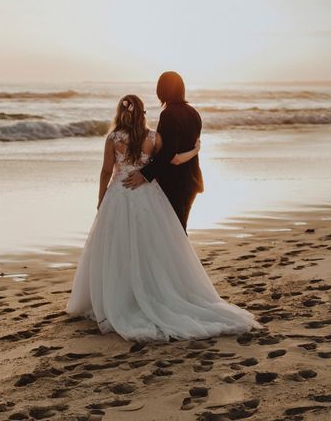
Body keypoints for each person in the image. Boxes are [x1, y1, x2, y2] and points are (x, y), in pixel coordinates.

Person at [65, 94, 260, 342]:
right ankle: (154, 290)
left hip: (118, 196)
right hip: (147, 195)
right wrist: (192, 152)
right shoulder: (154, 138)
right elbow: (165, 164)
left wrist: (101, 199)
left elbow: (106, 171)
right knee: (151, 246)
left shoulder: (113, 139)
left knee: (115, 247)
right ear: (143, 114)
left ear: (119, 114)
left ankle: (119, 297)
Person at [123, 71, 203, 232]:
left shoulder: (168, 114)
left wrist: (144, 174)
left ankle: (182, 258)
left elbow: (169, 154)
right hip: (191, 180)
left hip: (174, 182)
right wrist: (196, 151)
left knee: (173, 232)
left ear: (161, 90)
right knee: (179, 230)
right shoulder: (194, 113)